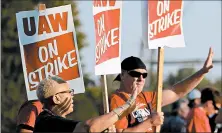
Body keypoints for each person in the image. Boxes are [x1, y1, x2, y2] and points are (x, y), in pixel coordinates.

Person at [110, 47, 214, 132]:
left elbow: (177, 91)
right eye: (135, 74)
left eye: (144, 74)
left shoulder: (147, 97)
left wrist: (202, 72)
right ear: (122, 75)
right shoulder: (117, 99)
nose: (141, 78)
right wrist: (150, 122)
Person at [33, 75, 138, 132]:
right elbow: (89, 127)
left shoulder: (52, 121)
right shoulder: (47, 122)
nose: (72, 95)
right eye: (69, 92)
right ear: (56, 98)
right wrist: (126, 107)